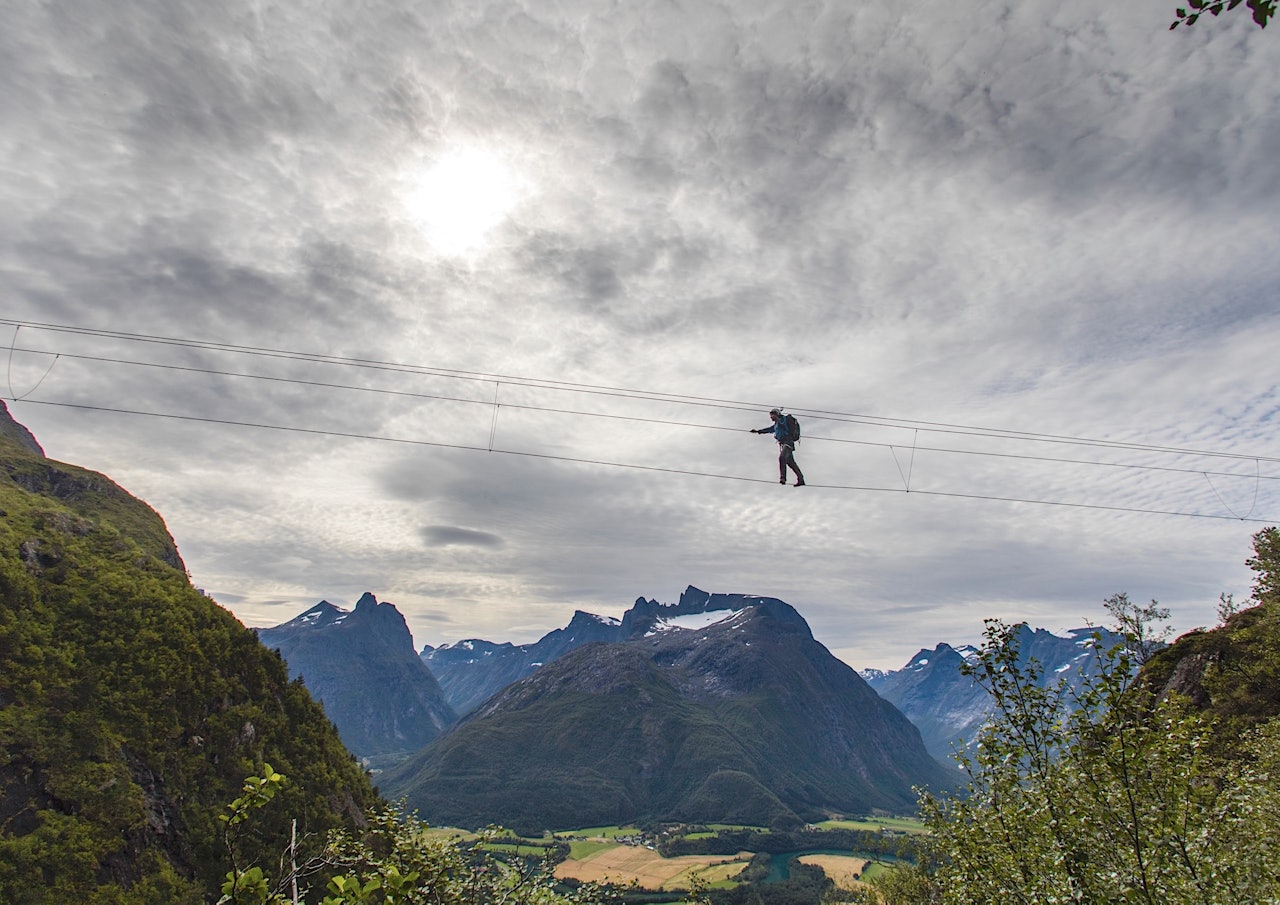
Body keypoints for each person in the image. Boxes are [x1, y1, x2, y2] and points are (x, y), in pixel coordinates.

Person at [752, 408, 805, 486]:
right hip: (783, 443)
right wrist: (758, 431)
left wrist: (777, 418)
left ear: (776, 414)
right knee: (791, 463)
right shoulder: (776, 425)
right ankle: (801, 479)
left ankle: (783, 478)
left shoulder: (783, 419)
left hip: (788, 441)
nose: (771, 417)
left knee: (782, 458)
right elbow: (769, 429)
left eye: (772, 415)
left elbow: (783, 424)